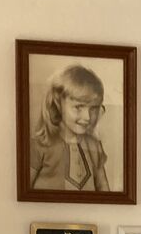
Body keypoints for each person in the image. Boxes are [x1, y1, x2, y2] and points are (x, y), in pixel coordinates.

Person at [30, 64, 111, 192]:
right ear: (58, 102)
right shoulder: (40, 144)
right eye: (78, 107)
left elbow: (104, 189)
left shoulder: (94, 146)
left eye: (93, 108)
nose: (87, 117)